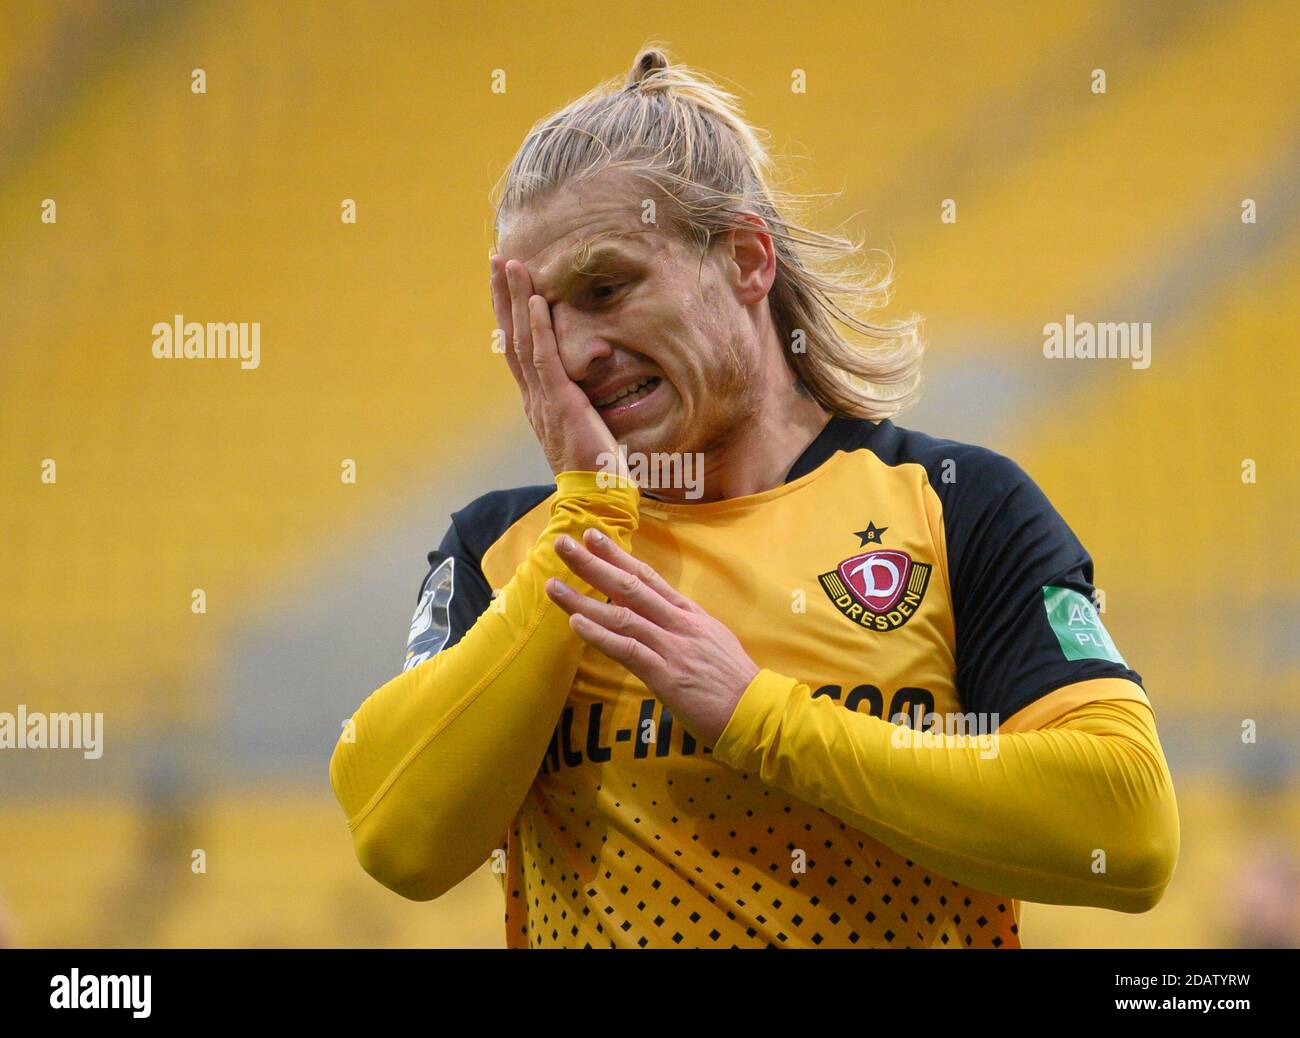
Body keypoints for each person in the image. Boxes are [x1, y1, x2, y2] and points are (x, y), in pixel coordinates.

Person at [329, 46, 1179, 948]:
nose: (576, 352)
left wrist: (757, 717)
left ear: (745, 259)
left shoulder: (955, 504)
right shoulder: (507, 548)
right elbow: (401, 840)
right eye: (544, 317)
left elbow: (1126, 833)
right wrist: (586, 513)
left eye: (605, 288)